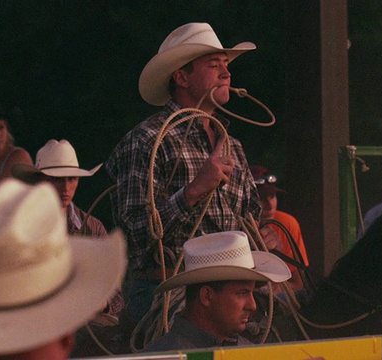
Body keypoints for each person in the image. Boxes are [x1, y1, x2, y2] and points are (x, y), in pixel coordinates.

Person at [104, 22, 280, 326]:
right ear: (181, 77)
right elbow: (133, 234)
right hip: (165, 292)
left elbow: (249, 216)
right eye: (214, 65)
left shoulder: (233, 146)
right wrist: (194, 191)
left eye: (226, 65)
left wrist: (263, 237)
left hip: (228, 295)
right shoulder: (146, 140)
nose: (226, 73)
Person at [0, 178, 127, 360]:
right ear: (66, 339)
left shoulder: (92, 226)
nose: (65, 187)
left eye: (71, 179)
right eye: (57, 180)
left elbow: (116, 298)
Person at [144, 231, 291, 351]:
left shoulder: (251, 353)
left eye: (251, 292)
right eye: (242, 293)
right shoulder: (163, 356)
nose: (252, 305)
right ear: (207, 296)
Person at [250, 165, 309, 291]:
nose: (270, 205)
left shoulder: (286, 223)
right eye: (261, 198)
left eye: (272, 196)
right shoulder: (235, 226)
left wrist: (270, 289)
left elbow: (299, 283)